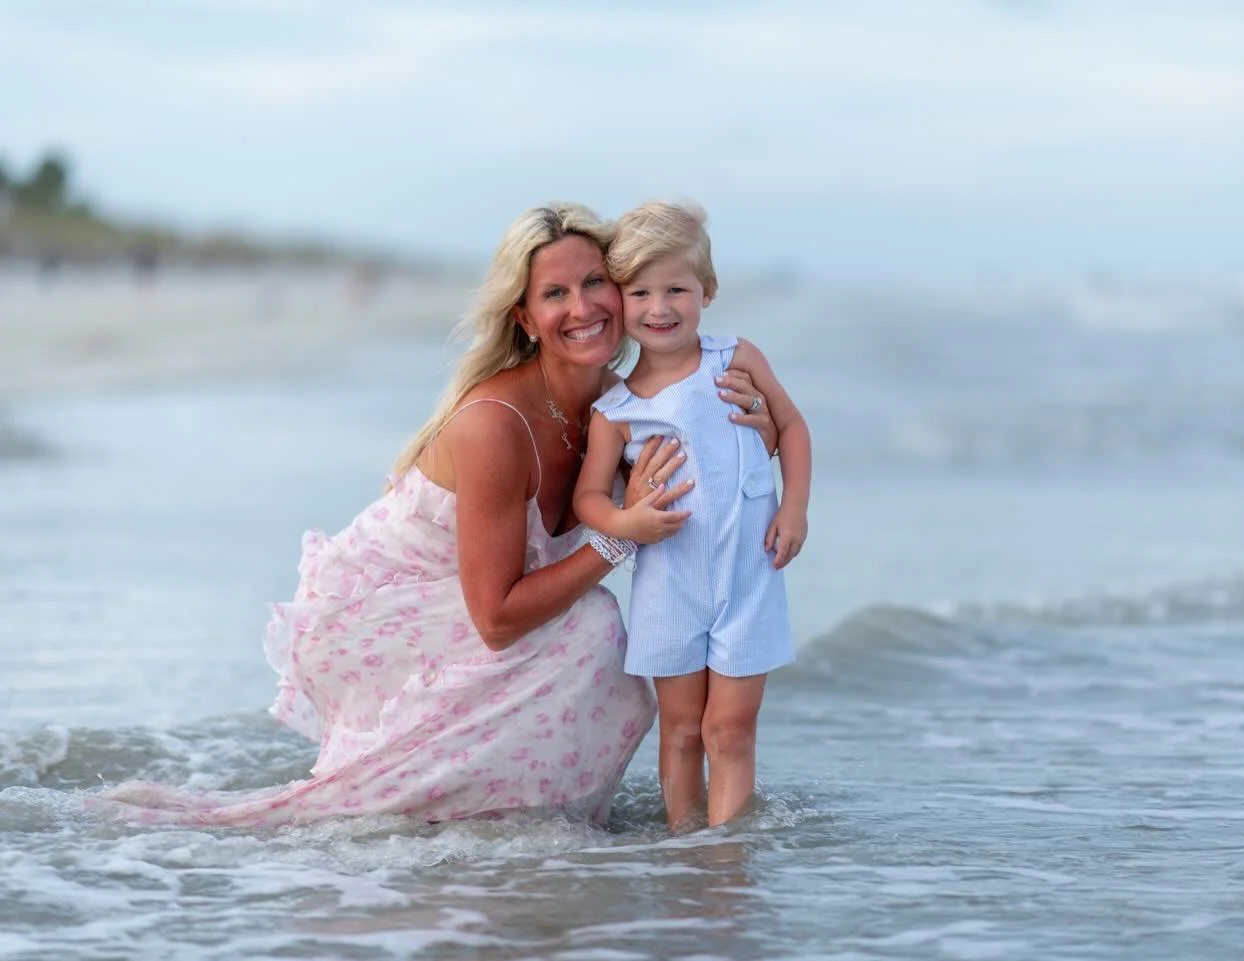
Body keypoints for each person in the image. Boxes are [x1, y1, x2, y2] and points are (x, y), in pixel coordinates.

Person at [96, 202, 777, 827]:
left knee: (599, 634)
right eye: (554, 294)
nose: (583, 307)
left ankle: (508, 816)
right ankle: (481, 816)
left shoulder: (618, 404)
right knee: (596, 630)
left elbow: (705, 481)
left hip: (476, 609)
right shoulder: (494, 425)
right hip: (397, 614)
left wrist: (760, 428)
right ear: (523, 317)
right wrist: (616, 543)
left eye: (595, 282)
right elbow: (498, 616)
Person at [574, 200, 811, 831]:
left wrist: (794, 507)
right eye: (641, 292)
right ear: (619, 302)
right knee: (681, 730)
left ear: (705, 290)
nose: (660, 307)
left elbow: (790, 426)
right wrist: (627, 524)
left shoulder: (734, 360)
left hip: (749, 572)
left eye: (676, 288)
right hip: (669, 581)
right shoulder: (616, 407)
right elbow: (590, 498)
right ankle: (684, 850)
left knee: (729, 729)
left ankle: (725, 859)